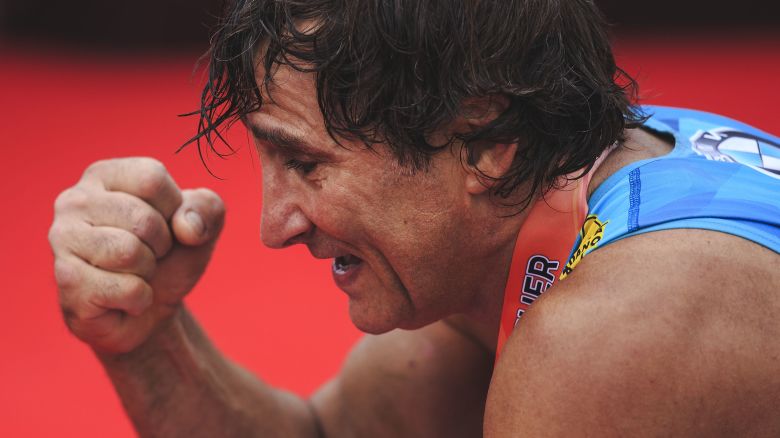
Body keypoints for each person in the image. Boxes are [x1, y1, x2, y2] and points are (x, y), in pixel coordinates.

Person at [48, 0, 780, 436]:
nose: (275, 226)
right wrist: (147, 336)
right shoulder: (558, 203)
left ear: (487, 143)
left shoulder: (610, 339)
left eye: (305, 164)